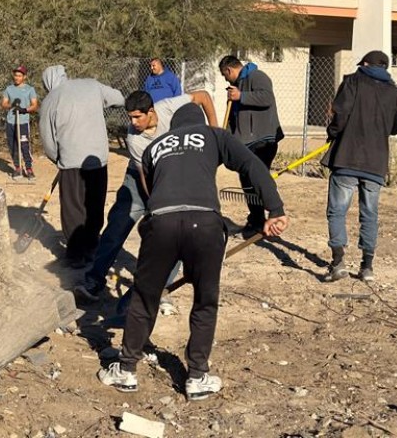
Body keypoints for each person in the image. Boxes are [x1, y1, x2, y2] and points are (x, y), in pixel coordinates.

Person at [97, 102, 288, 399]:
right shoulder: (213, 134)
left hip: (162, 223)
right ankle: (197, 376)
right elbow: (251, 164)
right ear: (198, 122)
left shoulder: (153, 147)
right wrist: (273, 209)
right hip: (205, 224)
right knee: (205, 300)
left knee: (145, 297)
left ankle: (126, 370)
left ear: (174, 127)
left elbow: (152, 195)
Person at [74, 89, 218, 314]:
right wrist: (158, 207)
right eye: (129, 117)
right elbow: (146, 180)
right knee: (117, 226)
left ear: (151, 112)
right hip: (141, 180)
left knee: (176, 233)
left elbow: (203, 97)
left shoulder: (169, 106)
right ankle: (94, 280)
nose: (133, 122)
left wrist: (214, 131)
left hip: (174, 174)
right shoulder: (134, 139)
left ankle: (159, 290)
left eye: (137, 117)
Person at [321, 50, 397, 282]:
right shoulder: (395, 93)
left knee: (337, 210)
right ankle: (367, 266)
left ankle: (338, 262)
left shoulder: (352, 81)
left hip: (347, 157)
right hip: (376, 162)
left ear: (366, 64)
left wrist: (332, 133)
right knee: (369, 213)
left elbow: (340, 113)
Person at [39, 65, 125, 268]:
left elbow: (48, 140)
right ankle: (92, 246)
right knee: (94, 203)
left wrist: (57, 158)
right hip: (98, 159)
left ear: (48, 82)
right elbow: (120, 98)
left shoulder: (50, 100)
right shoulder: (92, 85)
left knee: (73, 207)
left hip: (71, 162)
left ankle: (77, 254)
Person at [218, 55, 284, 238]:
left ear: (229, 70)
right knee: (247, 182)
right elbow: (233, 117)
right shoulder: (236, 86)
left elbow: (266, 98)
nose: (226, 79)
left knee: (257, 181)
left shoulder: (258, 76)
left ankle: (266, 219)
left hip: (263, 141)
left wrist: (241, 96)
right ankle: (256, 220)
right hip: (245, 143)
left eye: (225, 76)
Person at [1, 65, 39, 179]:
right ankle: (18, 168)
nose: (16, 77)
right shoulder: (9, 89)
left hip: (22, 122)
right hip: (11, 122)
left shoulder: (29, 89)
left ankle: (29, 169)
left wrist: (24, 110)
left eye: (19, 75)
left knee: (24, 145)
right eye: (15, 75)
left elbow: (34, 105)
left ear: (24, 77)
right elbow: (3, 104)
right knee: (12, 146)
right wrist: (11, 105)